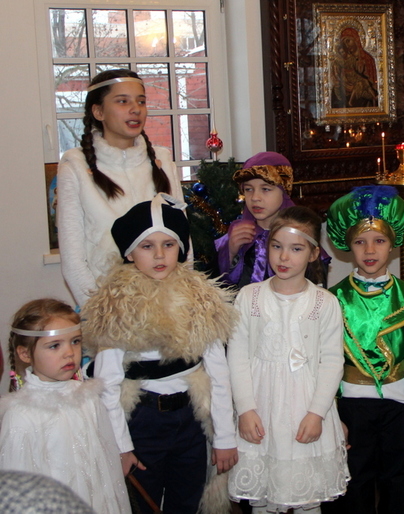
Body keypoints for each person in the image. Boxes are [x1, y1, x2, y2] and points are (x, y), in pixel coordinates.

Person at [82, 193, 238, 514]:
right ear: (129, 253)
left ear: (180, 248)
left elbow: (218, 373)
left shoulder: (200, 299)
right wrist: (121, 447)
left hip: (191, 418)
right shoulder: (117, 305)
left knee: (188, 500)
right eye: (147, 246)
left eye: (168, 244)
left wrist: (224, 437)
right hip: (144, 420)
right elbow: (107, 383)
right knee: (145, 503)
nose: (159, 255)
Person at [227, 206, 349, 513]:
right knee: (263, 495)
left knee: (307, 495)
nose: (284, 257)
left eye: (296, 249)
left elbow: (332, 362)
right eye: (277, 246)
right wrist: (245, 409)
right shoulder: (249, 297)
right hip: (261, 408)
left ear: (313, 253)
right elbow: (237, 357)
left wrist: (317, 413)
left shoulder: (325, 303)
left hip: (305, 409)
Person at [324, 185, 404, 514]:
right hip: (351, 408)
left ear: (393, 244)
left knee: (399, 484)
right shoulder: (333, 299)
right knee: (352, 486)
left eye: (379, 241)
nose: (370, 250)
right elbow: (326, 362)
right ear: (348, 245)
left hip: (400, 407)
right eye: (360, 242)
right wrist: (333, 416)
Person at [57, 69, 185, 307]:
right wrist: (102, 314)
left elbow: (183, 242)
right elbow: (73, 262)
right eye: (123, 101)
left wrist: (180, 304)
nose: (135, 109)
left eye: (141, 101)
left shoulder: (163, 160)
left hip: (166, 307)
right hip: (108, 307)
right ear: (98, 111)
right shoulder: (75, 166)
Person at [0, 299, 130, 513]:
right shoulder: (22, 415)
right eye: (55, 345)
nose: (69, 352)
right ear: (25, 354)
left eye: (75, 341)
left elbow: (107, 474)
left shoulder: (88, 399)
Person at [214, 151, 330, 289]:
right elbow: (219, 288)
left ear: (284, 191)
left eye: (265, 189)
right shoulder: (238, 235)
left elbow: (315, 284)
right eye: (249, 189)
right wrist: (230, 252)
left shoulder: (300, 235)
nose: (255, 197)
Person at [331, 27, 378, 108]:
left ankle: (373, 97)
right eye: (344, 43)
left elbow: (373, 80)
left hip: (364, 96)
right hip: (346, 91)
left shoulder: (367, 58)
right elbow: (337, 76)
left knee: (362, 83)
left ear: (356, 39)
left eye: (348, 41)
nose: (346, 45)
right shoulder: (341, 60)